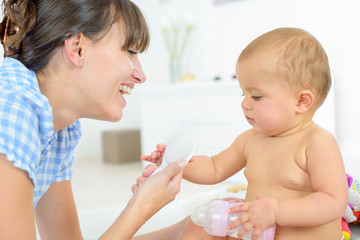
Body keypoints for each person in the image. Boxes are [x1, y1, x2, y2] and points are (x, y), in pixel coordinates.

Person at [135, 28, 349, 240]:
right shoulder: (250, 139)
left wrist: (276, 210)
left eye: (256, 96)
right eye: (243, 93)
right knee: (196, 228)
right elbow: (214, 168)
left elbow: (333, 202)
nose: (244, 103)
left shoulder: (317, 143)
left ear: (301, 101)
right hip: (252, 234)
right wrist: (176, 162)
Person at [0, 0, 186, 239]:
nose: (141, 76)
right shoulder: (12, 109)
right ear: (77, 48)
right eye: (129, 51)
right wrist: (140, 207)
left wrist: (183, 232)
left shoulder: (57, 129)